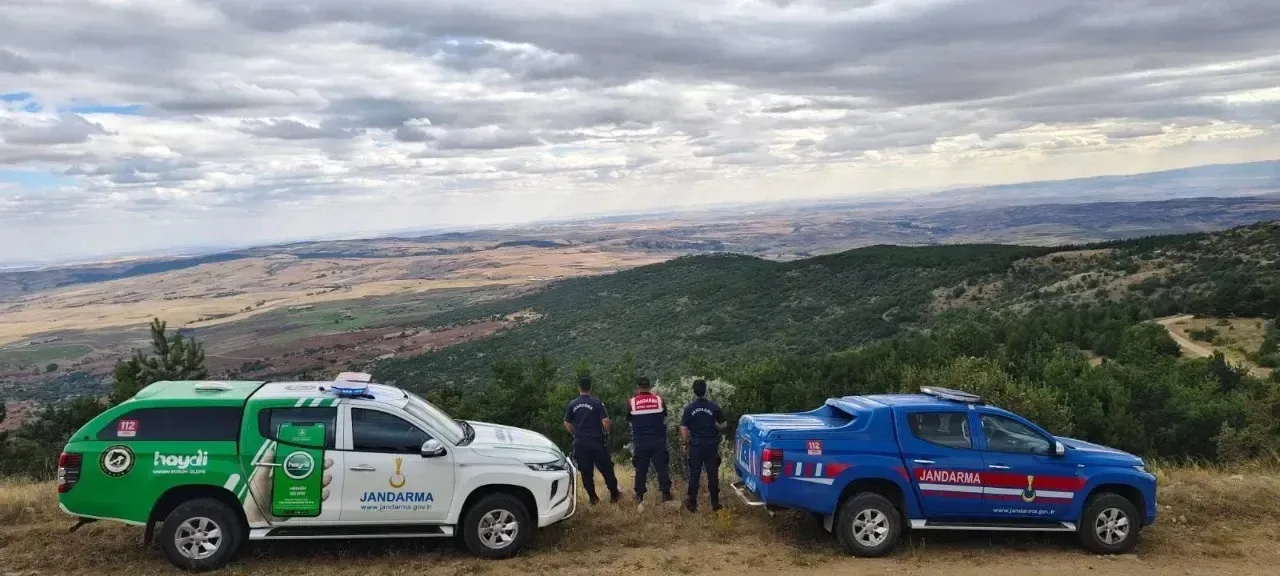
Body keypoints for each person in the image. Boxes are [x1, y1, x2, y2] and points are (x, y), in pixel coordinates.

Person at [563, 376, 621, 505]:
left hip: (580, 443)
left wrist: (575, 433)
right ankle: (614, 496)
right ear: (591, 388)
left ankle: (593, 499)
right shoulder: (597, 403)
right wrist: (606, 432)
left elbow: (566, 423)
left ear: (579, 388)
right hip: (596, 442)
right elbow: (605, 421)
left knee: (586, 472)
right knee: (607, 469)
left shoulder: (572, 404)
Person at [680, 378, 727, 512]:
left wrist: (684, 442)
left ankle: (692, 503)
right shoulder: (713, 406)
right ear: (705, 390)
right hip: (711, 444)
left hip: (696, 445)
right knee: (712, 473)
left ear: (694, 391)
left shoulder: (689, 408)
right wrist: (715, 427)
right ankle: (715, 503)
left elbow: (683, 428)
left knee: (694, 474)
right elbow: (724, 424)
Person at [626, 376, 673, 506]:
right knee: (662, 468)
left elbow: (629, 419)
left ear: (637, 387)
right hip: (658, 440)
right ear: (650, 386)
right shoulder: (659, 400)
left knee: (641, 469)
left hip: (641, 441)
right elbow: (664, 416)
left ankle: (639, 495)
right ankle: (666, 494)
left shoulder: (632, 402)